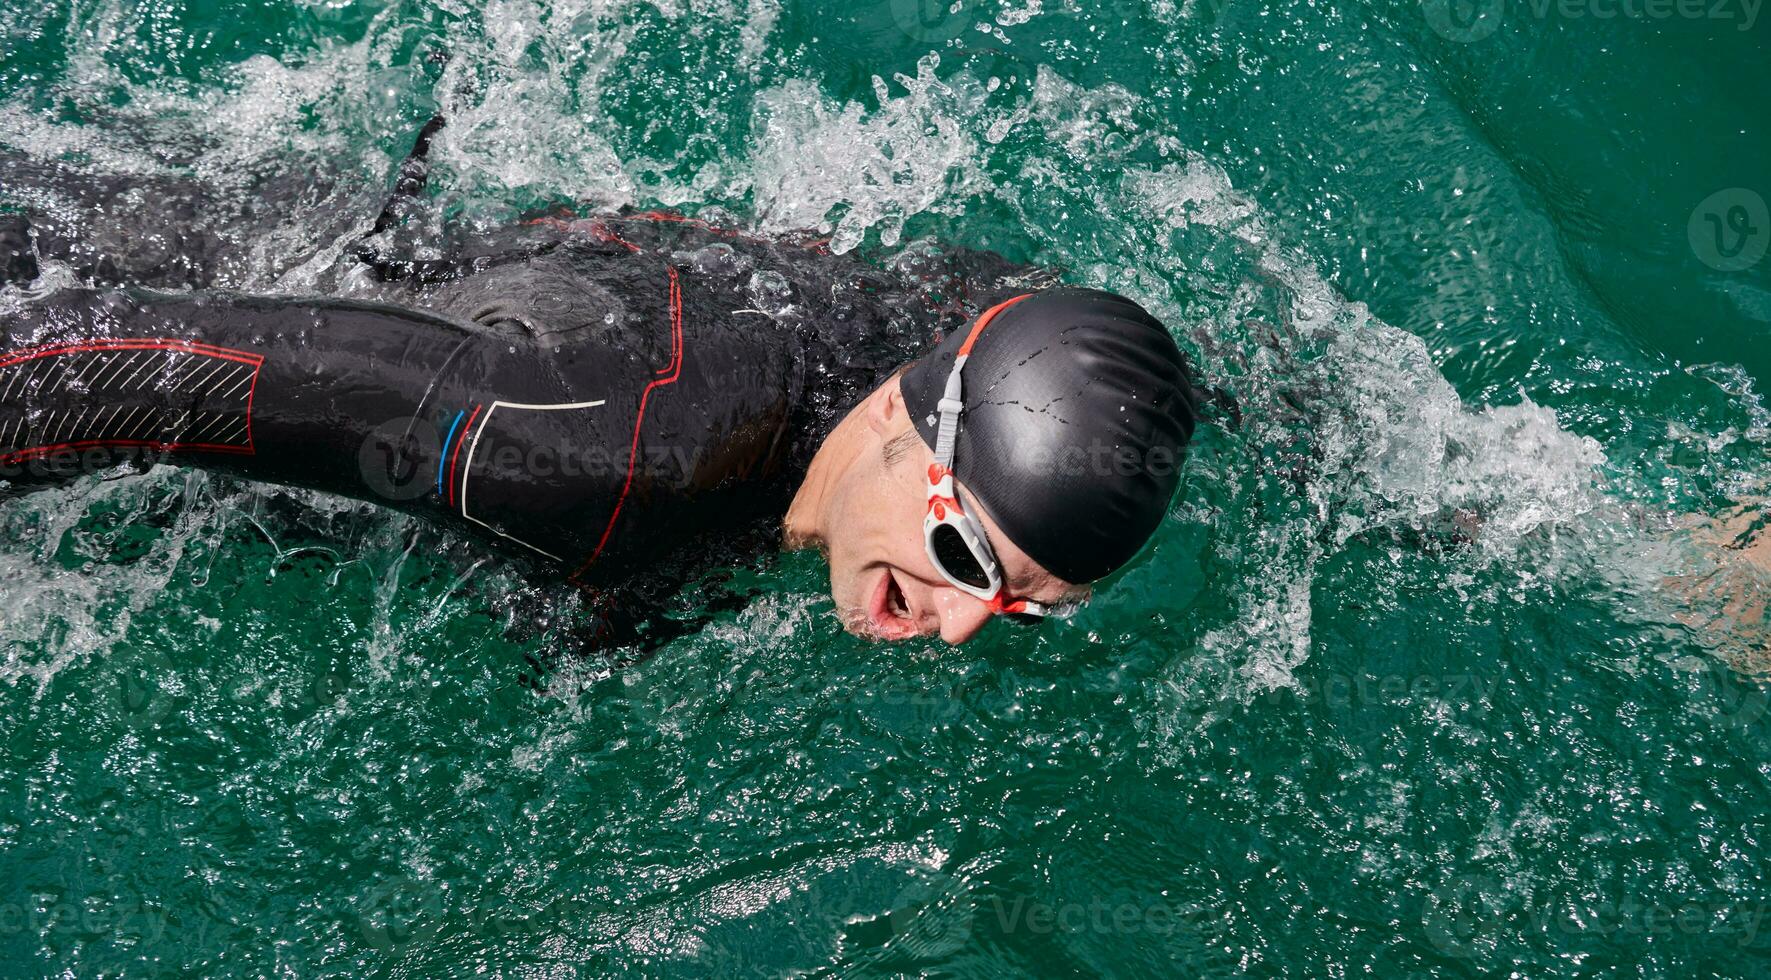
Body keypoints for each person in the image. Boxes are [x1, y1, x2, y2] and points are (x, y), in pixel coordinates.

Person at [0, 126, 1204, 647]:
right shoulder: (591, 458)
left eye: (1022, 604)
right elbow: (115, 364)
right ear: (901, 417)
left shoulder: (942, 338)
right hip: (144, 281)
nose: (956, 623)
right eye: (963, 560)